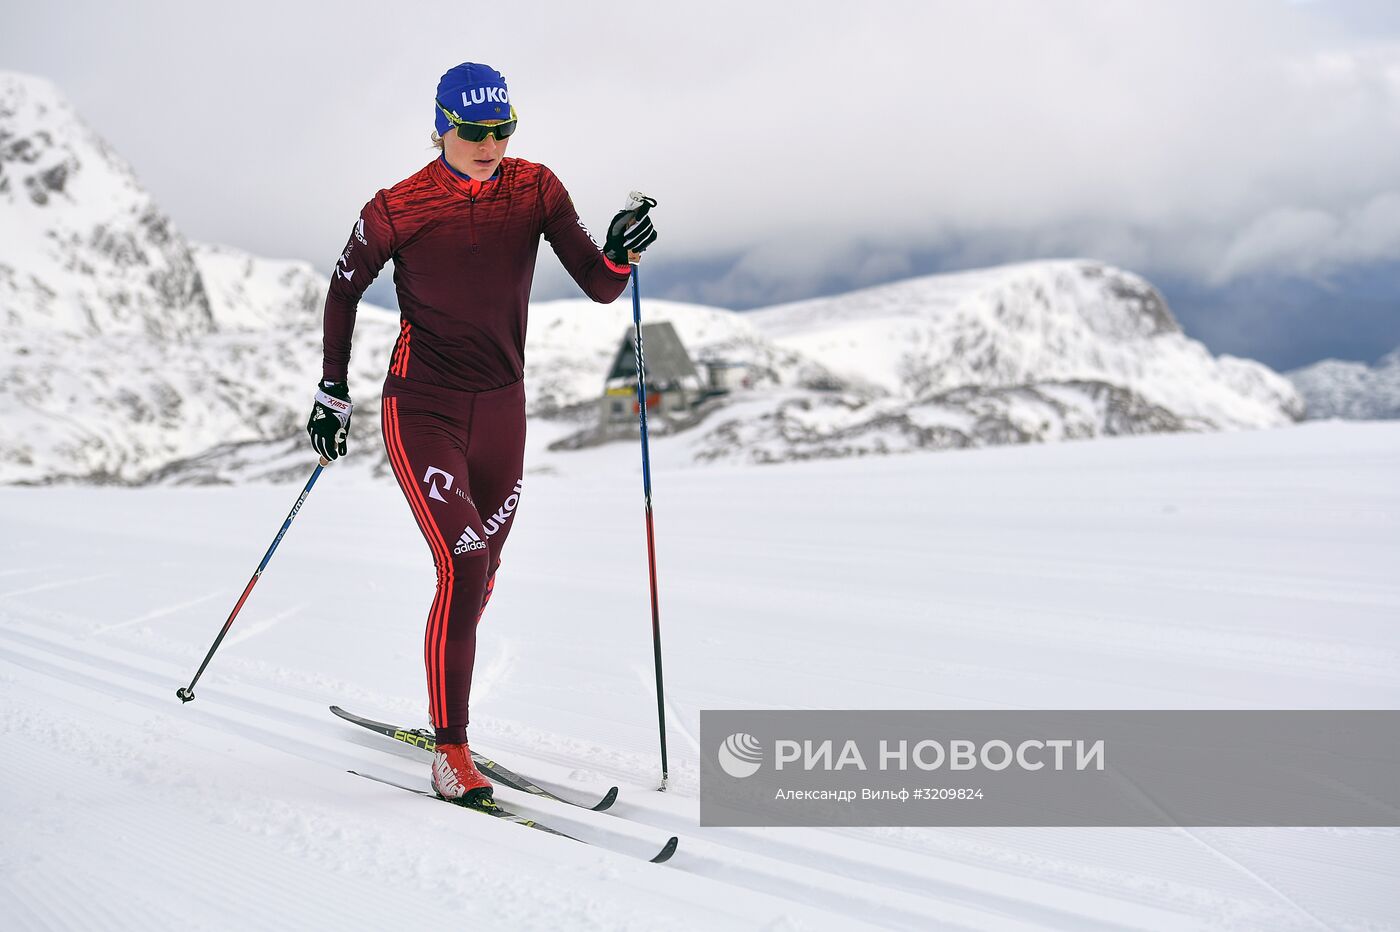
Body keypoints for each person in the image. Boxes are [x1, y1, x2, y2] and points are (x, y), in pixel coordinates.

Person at [305, 62, 658, 808]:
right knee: (463, 563)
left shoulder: (535, 189)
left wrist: (623, 252)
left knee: (482, 574)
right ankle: (451, 749)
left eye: (503, 130)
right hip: (423, 409)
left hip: (503, 413)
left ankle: (443, 692)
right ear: (440, 127)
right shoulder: (397, 207)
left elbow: (598, 284)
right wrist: (331, 388)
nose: (490, 143)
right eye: (473, 130)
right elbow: (343, 288)